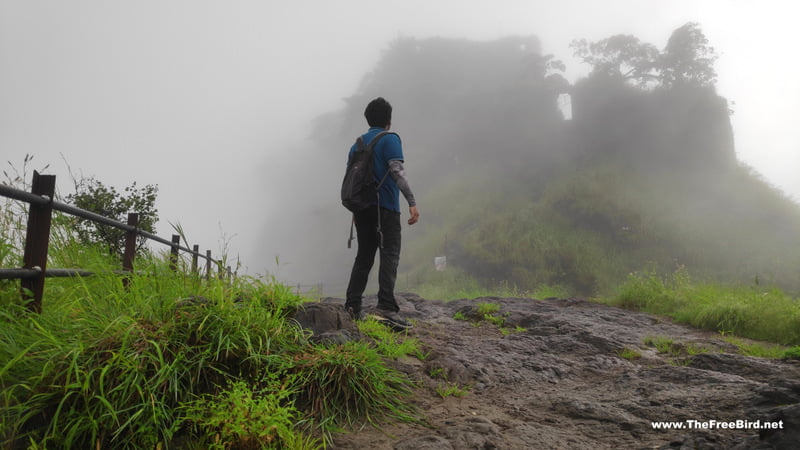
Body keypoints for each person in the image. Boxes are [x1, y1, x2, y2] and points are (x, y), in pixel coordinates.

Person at [345, 97, 419, 329]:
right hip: (385, 208)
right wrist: (412, 201)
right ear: (388, 120)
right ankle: (386, 307)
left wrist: (355, 210)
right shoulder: (390, 139)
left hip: (362, 209)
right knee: (390, 254)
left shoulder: (356, 144)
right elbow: (396, 170)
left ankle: (352, 306)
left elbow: (352, 180)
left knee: (364, 256)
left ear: (368, 119)